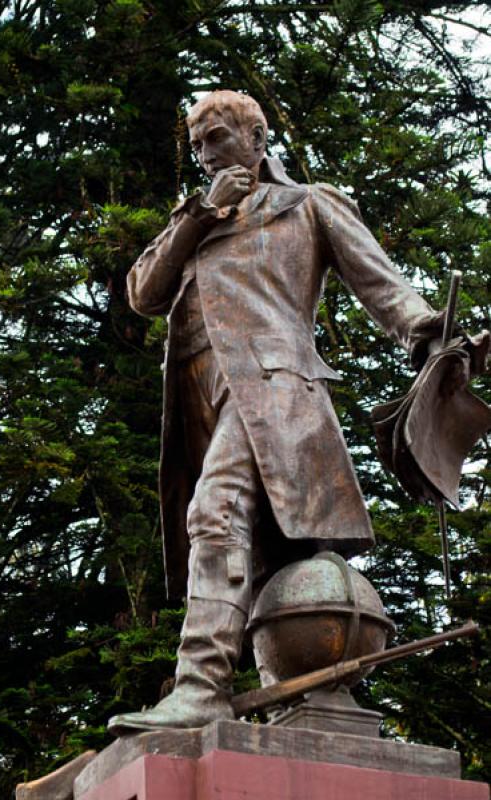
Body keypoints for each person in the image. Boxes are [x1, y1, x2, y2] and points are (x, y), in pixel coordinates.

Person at [107, 90, 450, 735]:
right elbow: (144, 293)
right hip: (206, 404)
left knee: (214, 510)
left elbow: (382, 284)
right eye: (198, 145)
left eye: (217, 138)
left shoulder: (306, 204)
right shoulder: (197, 219)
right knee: (259, 556)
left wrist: (426, 331)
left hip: (275, 391)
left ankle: (200, 687)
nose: (206, 154)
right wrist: (198, 217)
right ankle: (286, 699)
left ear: (258, 140)